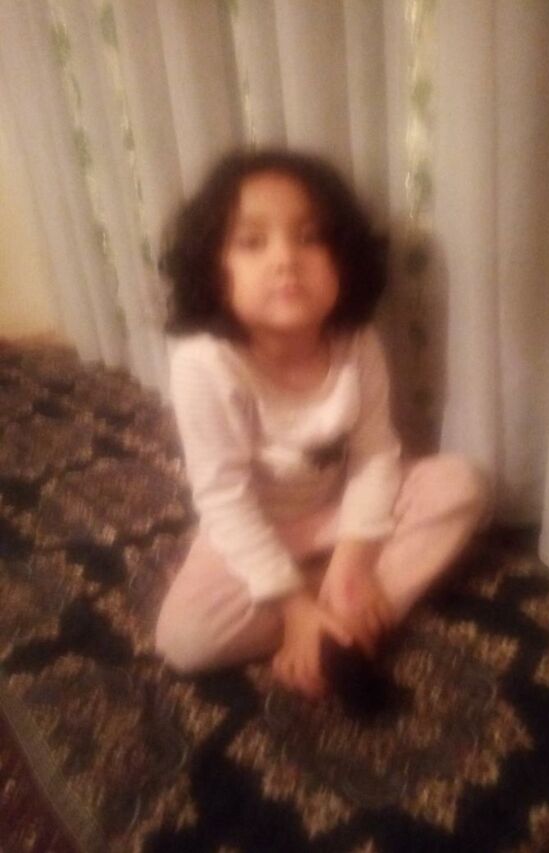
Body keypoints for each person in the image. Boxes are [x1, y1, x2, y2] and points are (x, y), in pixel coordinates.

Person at [155, 149, 490, 700]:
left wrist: (354, 559)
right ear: (213, 271)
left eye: (310, 238)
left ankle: (345, 607)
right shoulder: (203, 362)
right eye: (252, 242)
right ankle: (325, 614)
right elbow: (224, 499)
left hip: (339, 514)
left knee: (462, 484)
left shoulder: (357, 342)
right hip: (255, 522)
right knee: (184, 640)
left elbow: (375, 455)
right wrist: (291, 606)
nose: (286, 259)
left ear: (344, 258)